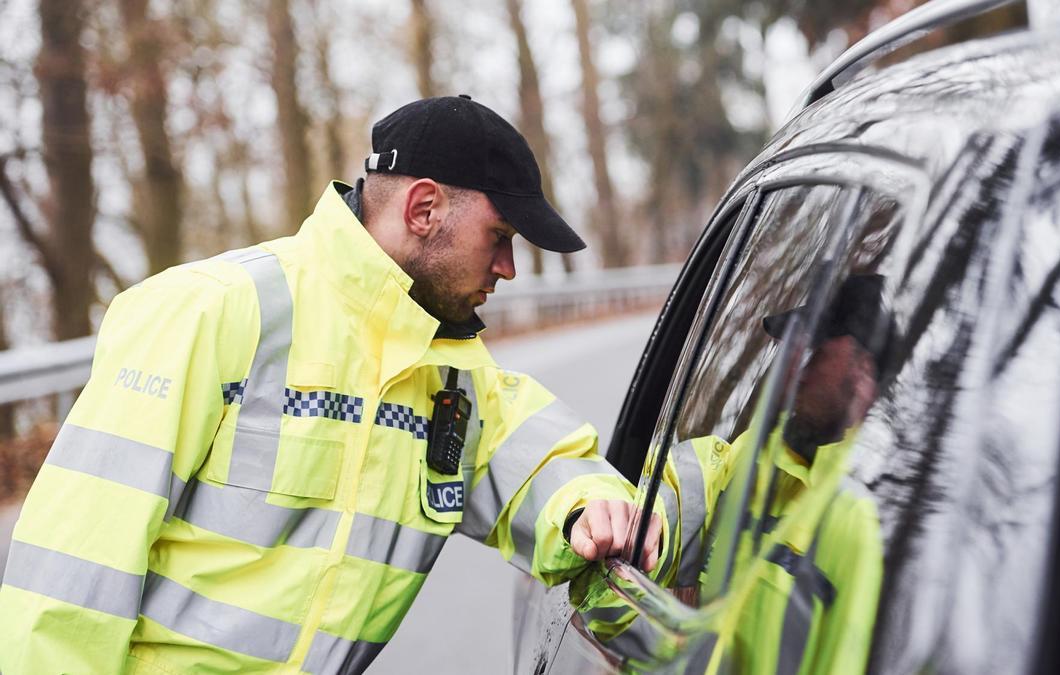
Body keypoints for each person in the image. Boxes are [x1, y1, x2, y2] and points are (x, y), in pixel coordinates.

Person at [0, 95, 662, 675]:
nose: (509, 268)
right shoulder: (213, 311)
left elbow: (537, 460)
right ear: (425, 207)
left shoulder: (450, 376)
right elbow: (68, 579)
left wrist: (592, 503)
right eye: (500, 236)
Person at [573, 274, 889, 674]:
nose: (796, 361)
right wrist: (612, 521)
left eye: (819, 346)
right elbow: (644, 517)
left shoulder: (861, 520)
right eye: (795, 342)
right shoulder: (738, 466)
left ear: (864, 373)